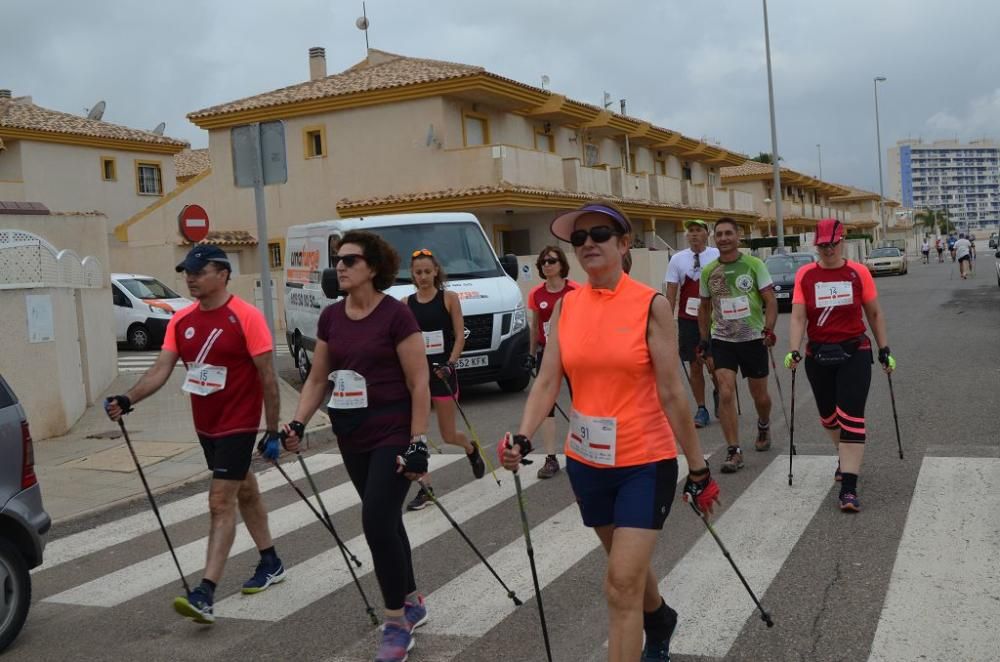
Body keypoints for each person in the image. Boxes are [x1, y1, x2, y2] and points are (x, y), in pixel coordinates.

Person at [500, 200, 719, 662]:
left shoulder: (649, 305)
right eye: (578, 238)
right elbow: (546, 381)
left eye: (599, 234)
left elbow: (674, 394)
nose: (587, 244)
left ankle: (643, 636)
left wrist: (698, 468)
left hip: (644, 460)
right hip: (588, 462)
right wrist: (522, 436)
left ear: (624, 244)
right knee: (628, 571)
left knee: (620, 584)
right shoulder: (567, 308)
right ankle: (660, 619)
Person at [104, 244, 284, 625]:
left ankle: (205, 592)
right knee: (245, 490)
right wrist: (127, 397)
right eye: (187, 270)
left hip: (239, 422)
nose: (190, 277)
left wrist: (271, 429)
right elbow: (160, 370)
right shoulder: (179, 320)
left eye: (199, 271)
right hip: (207, 425)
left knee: (221, 502)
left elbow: (268, 378)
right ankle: (271, 561)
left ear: (222, 274)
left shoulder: (246, 317)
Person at [281, 231, 432, 662]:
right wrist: (297, 422)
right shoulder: (331, 317)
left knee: (376, 520)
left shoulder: (396, 316)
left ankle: (396, 623)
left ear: (372, 267)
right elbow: (317, 377)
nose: (339, 268)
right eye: (337, 260)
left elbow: (419, 381)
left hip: (394, 431)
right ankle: (411, 599)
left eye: (348, 260)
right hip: (352, 432)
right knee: (385, 519)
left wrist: (419, 441)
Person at [784, 219, 896, 512]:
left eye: (833, 244)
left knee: (852, 418)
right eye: (822, 245)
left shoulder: (858, 272)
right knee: (828, 417)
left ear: (842, 241)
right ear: (816, 246)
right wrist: (793, 350)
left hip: (854, 351)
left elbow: (874, 313)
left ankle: (849, 487)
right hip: (818, 355)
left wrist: (884, 349)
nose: (828, 249)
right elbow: (798, 317)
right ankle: (842, 453)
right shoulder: (806, 274)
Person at [403, 248, 485, 511]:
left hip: (443, 373)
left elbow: (460, 335)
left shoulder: (448, 298)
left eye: (428, 271)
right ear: (412, 275)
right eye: (418, 273)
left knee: (449, 434)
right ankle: (426, 489)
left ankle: (470, 448)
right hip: (418, 376)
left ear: (436, 271)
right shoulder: (406, 303)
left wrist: (450, 363)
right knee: (417, 435)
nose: (424, 277)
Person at [697, 218, 778, 473]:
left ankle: (763, 424)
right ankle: (734, 450)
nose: (723, 238)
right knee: (726, 392)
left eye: (728, 233)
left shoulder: (754, 265)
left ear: (738, 236)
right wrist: (704, 341)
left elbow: (771, 300)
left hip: (752, 338)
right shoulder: (709, 271)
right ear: (714, 238)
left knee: (760, 397)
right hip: (722, 339)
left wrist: (769, 329)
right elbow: (704, 307)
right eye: (719, 234)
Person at [526, 245, 578, 478]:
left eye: (552, 261)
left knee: (581, 401)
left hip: (574, 352)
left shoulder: (575, 290)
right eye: (544, 261)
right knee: (546, 406)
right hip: (547, 353)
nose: (547, 265)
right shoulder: (536, 293)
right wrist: (531, 353)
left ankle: (584, 450)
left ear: (561, 265)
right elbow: (535, 326)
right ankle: (550, 457)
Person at [663, 219, 721, 428]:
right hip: (688, 319)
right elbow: (671, 292)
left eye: (698, 230)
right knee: (694, 366)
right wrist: (666, 321)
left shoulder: (716, 255)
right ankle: (701, 408)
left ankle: (719, 392)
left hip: (715, 319)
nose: (694, 234)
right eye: (691, 231)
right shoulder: (678, 259)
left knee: (714, 365)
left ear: (707, 234)